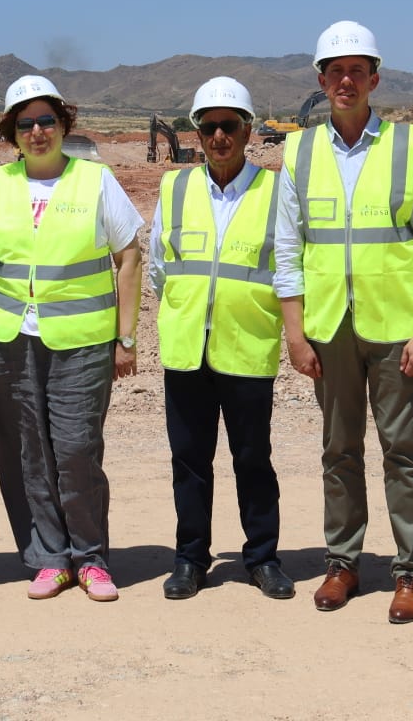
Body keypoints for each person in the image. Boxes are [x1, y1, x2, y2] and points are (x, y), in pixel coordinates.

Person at [274, 21, 413, 624]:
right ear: (321, 81)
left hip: (396, 325)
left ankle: (410, 570)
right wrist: (295, 332)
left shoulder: (406, 146)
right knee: (338, 449)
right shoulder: (299, 151)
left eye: (356, 70)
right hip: (329, 326)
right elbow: (288, 249)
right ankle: (342, 563)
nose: (345, 80)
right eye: (335, 71)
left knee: (403, 449)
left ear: (375, 78)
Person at [0, 75, 143, 602]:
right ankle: (49, 559)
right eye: (25, 123)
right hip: (8, 342)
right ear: (12, 133)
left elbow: (128, 257)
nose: (37, 131)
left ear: (63, 124)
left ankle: (90, 558)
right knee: (26, 453)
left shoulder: (95, 180)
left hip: (81, 343)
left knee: (76, 450)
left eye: (46, 120)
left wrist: (126, 338)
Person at [150, 77, 292, 600]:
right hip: (188, 349)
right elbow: (160, 267)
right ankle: (190, 559)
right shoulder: (175, 189)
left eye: (228, 125)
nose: (218, 136)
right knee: (189, 462)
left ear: (248, 130)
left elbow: (289, 268)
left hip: (247, 347)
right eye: (208, 126)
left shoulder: (276, 192)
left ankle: (262, 558)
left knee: (253, 460)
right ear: (197, 132)